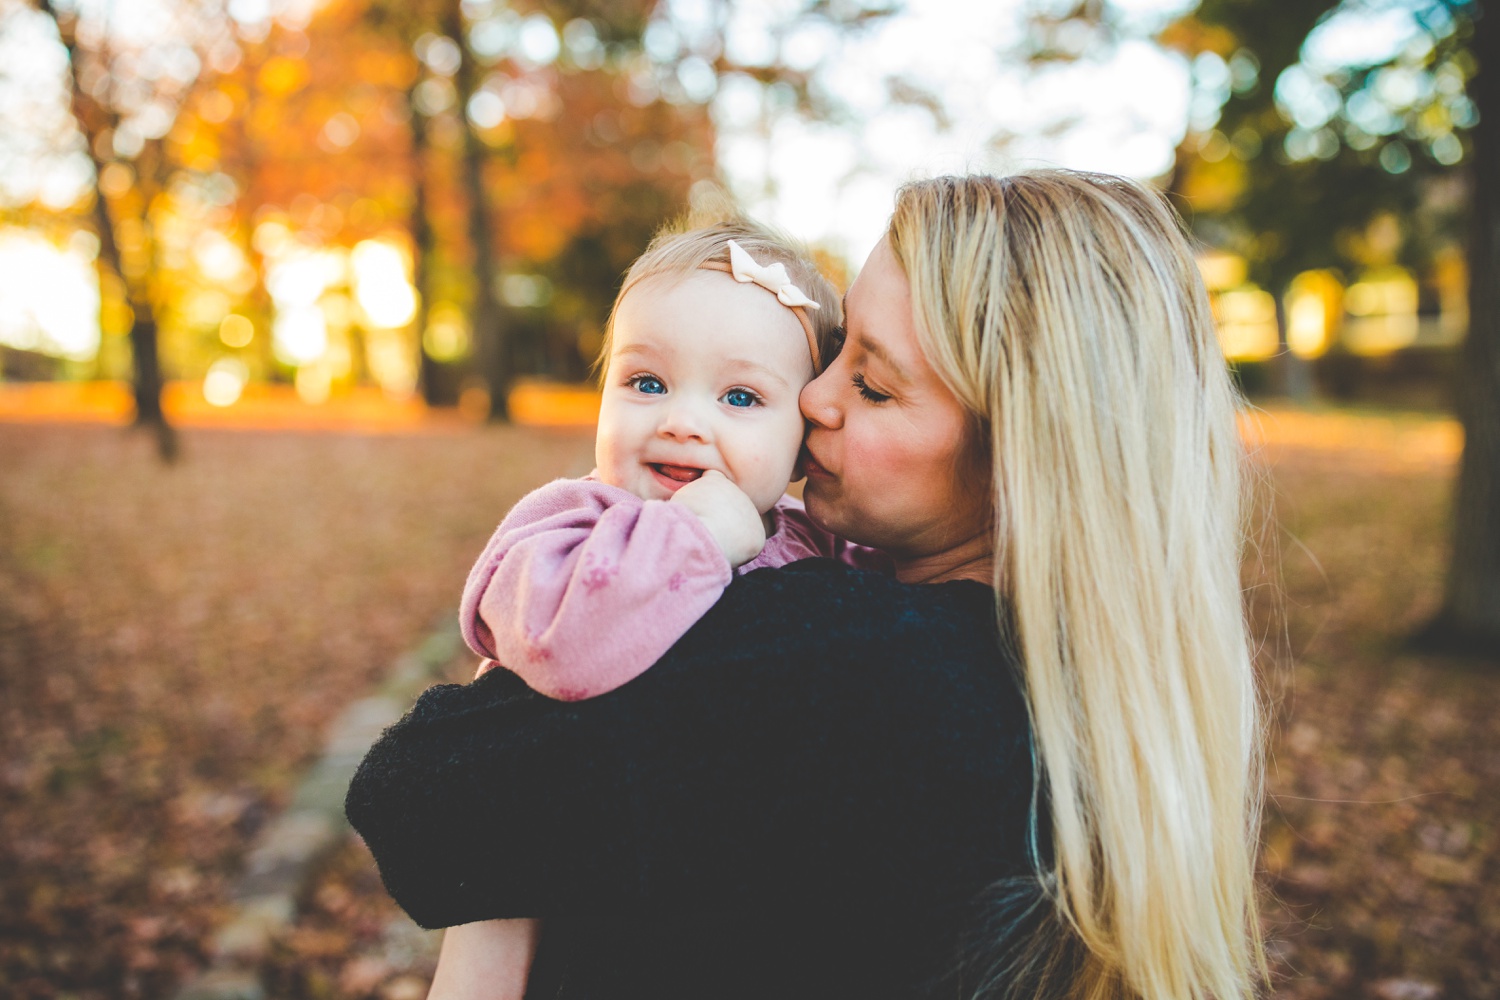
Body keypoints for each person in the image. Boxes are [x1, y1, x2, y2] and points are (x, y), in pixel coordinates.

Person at [346, 170, 1266, 1000]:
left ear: (1015, 457)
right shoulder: (1078, 699)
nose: (814, 399)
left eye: (870, 384)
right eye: (834, 355)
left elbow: (415, 798)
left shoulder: (848, 659)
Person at [459, 218, 887, 703]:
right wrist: (696, 536)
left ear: (802, 443)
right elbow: (554, 649)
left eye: (741, 397)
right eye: (648, 383)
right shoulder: (571, 521)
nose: (681, 422)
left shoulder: (817, 539)